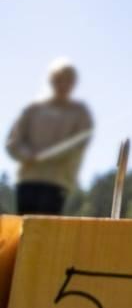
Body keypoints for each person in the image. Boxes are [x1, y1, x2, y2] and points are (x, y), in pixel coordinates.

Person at [5, 58, 93, 215]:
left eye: (68, 81)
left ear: (73, 84)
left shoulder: (80, 113)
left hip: (57, 182)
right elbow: (13, 142)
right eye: (59, 80)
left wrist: (50, 156)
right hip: (28, 179)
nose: (63, 85)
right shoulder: (33, 109)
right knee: (24, 230)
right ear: (51, 81)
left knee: (48, 231)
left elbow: (79, 144)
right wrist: (28, 155)